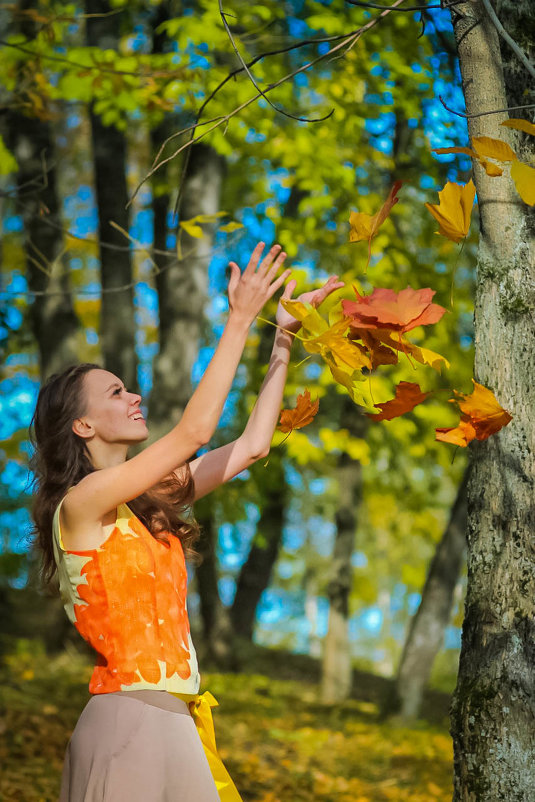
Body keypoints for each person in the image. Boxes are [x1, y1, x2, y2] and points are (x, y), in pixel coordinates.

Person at [30, 241, 344, 801]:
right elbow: (194, 433)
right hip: (124, 724)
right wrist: (240, 317)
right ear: (81, 427)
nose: (135, 396)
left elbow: (250, 446)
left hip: (181, 725)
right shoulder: (78, 506)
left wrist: (283, 341)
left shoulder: (148, 500)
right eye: (116, 392)